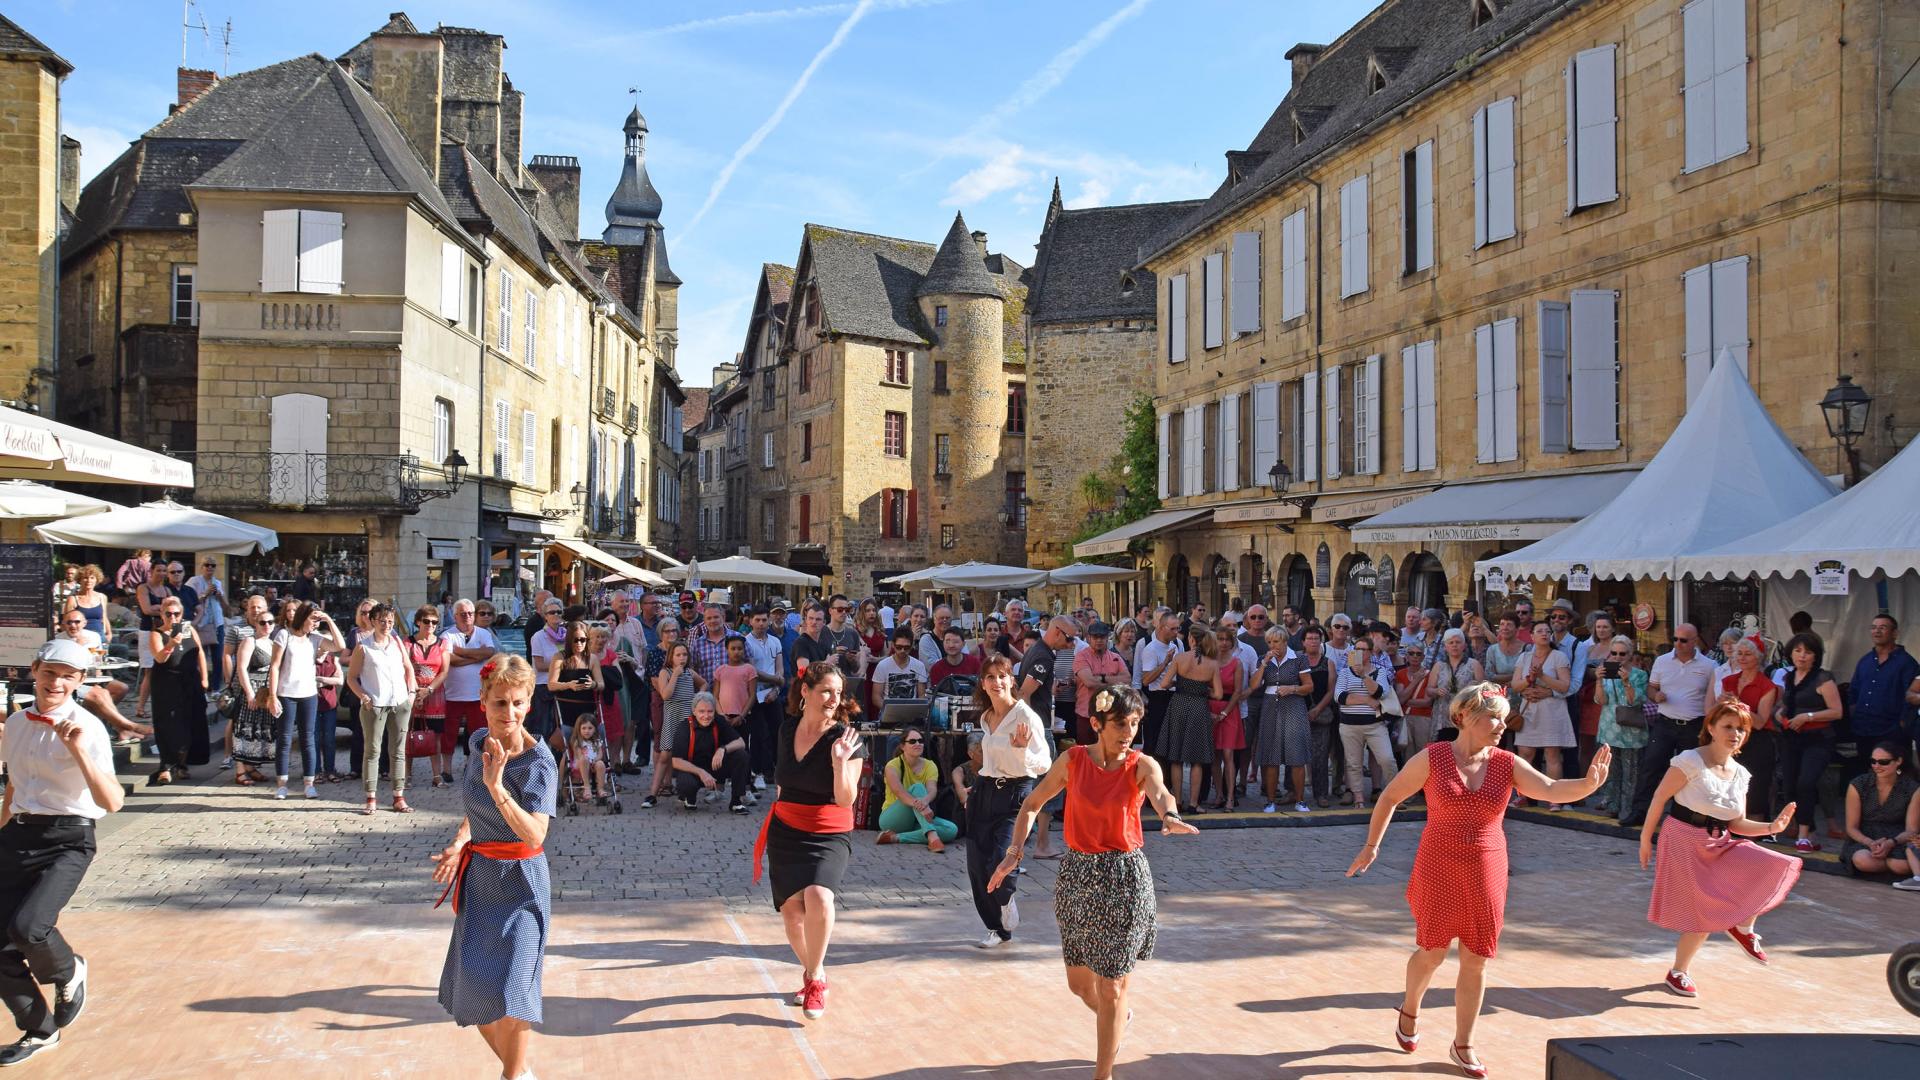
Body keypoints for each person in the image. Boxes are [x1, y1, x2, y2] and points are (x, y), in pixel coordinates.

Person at [1347, 684, 1611, 1080]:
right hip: (1438, 863)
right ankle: (1410, 1008)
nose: (1502, 725)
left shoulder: (1506, 762)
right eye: (1493, 717)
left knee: (1477, 955)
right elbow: (1389, 797)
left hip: (1487, 865)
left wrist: (1589, 784)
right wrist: (1371, 846)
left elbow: (1552, 789)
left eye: (1505, 718)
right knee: (1433, 951)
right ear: (1464, 717)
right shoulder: (1432, 758)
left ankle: (1463, 1043)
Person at [989, 686, 1198, 1080]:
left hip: (1125, 878)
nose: (1128, 732)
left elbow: (1161, 793)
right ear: (1098, 724)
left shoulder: (1142, 765)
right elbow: (1032, 805)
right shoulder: (1072, 761)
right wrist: (1014, 853)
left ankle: (1103, 1074)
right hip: (1077, 876)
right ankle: (1117, 1020)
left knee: (1113, 987)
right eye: (1121, 724)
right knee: (1081, 985)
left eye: (1135, 724)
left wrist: (1169, 816)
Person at [0, 640, 127, 1066]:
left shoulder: (87, 727)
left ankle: (68, 970)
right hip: (18, 834)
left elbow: (112, 802)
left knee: (29, 927)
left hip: (69, 838)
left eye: (68, 675)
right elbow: (15, 787)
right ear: (34, 670)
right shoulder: (16, 724)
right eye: (50, 672)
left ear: (79, 681)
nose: (56, 682)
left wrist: (76, 750)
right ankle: (39, 1030)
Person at [431, 655, 555, 1080]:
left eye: (518, 703)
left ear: (529, 702)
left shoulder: (539, 763)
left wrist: (498, 786)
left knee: (516, 990)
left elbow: (536, 835)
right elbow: (475, 810)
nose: (510, 713)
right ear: (482, 701)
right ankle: (519, 1072)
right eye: (500, 702)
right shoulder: (478, 742)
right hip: (481, 881)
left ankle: (511, 1076)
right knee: (476, 990)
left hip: (523, 886)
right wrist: (459, 841)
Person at [1640, 697, 1802, 998]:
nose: (1735, 734)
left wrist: (1771, 828)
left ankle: (1742, 928)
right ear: (1711, 728)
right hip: (1683, 839)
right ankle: (1679, 973)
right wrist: (1645, 839)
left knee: (1772, 862)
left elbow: (1737, 823)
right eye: (1728, 726)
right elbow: (1659, 799)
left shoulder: (1741, 774)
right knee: (1702, 913)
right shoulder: (1689, 760)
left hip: (1720, 840)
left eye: (1741, 729)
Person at [750, 662, 866, 1019]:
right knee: (792, 914)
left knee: (818, 895)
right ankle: (813, 969)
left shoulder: (847, 739)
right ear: (805, 691)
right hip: (786, 830)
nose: (833, 699)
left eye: (837, 692)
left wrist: (838, 763)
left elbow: (846, 799)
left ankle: (815, 978)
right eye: (825, 691)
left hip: (829, 830)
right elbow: (784, 783)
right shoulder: (786, 730)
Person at [966, 654, 1052, 949]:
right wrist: (975, 788)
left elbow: (1043, 763)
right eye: (990, 677)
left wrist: (1021, 751)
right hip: (984, 790)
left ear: (1011, 680)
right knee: (977, 864)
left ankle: (1006, 898)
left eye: (1002, 676)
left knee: (1003, 857)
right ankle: (996, 929)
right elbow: (989, 759)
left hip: (1016, 793)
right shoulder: (986, 717)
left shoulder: (1025, 716)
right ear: (983, 683)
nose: (997, 682)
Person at [1624, 624, 1719, 828]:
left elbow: (1713, 696)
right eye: (1675, 639)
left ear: (1695, 641)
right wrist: (1655, 695)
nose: (1678, 644)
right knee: (1650, 767)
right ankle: (1639, 812)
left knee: (1690, 773)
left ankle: (1682, 818)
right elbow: (1651, 687)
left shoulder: (1709, 665)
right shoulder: (1662, 661)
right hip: (1665, 722)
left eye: (1683, 640)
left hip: (1694, 725)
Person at [1773, 631, 1844, 851]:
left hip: (1817, 739)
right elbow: (1785, 705)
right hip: (1791, 738)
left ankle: (1803, 834)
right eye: (1798, 650)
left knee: (1806, 782)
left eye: (1808, 652)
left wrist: (1808, 717)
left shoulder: (1823, 678)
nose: (1802, 656)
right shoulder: (1788, 676)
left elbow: (1837, 711)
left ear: (1816, 656)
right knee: (1791, 785)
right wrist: (1779, 715)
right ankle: (1810, 832)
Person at [345, 603, 415, 815]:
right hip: (375, 703)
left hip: (400, 702)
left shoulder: (397, 642)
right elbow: (351, 677)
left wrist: (411, 694)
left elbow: (408, 668)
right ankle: (371, 797)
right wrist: (363, 696)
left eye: (390, 621)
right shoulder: (363, 647)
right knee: (373, 750)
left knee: (398, 750)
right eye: (383, 621)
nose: (387, 625)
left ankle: (398, 796)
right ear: (373, 621)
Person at [1153, 622, 1220, 815]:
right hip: (1199, 707)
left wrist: (1180, 683)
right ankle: (1193, 803)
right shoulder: (1212, 664)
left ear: (1191, 639)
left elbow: (1165, 684)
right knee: (1197, 759)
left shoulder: (1180, 658)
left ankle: (1178, 803)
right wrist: (1201, 689)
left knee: (1176, 757)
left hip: (1179, 705)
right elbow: (1218, 693)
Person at [144, 595, 207, 787]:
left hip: (190, 681)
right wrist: (171, 642)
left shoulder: (189, 630)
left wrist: (204, 678)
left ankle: (182, 764)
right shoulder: (156, 633)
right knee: (168, 724)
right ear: (162, 615)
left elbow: (200, 653)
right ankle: (165, 765)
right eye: (168, 614)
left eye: (176, 614)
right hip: (167, 684)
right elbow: (159, 658)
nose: (173, 618)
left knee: (190, 723)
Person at [1510, 619, 1573, 806]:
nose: (1545, 633)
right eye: (1540, 631)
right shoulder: (1524, 657)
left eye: (1547, 631)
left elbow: (1564, 685)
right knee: (1525, 753)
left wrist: (1542, 677)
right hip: (1530, 709)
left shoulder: (1559, 657)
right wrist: (1528, 681)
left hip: (1551, 709)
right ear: (1532, 636)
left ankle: (1555, 798)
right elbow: (1515, 685)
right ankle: (1524, 795)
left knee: (1552, 754)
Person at [1848, 615, 1919, 779]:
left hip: (1891, 731)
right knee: (1868, 776)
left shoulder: (1907, 663)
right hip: (1863, 728)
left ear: (1894, 633)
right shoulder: (1865, 661)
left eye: (1882, 627)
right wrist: (1854, 712)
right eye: (1873, 627)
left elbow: (1911, 697)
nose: (1877, 631)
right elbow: (1854, 691)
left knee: (1895, 777)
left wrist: (1902, 724)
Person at [1843, 740, 1920, 887]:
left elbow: (1912, 829)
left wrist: (1891, 843)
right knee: (1862, 860)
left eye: (1883, 762)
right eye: (1873, 761)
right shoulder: (1858, 784)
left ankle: (1898, 868)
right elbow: (1851, 827)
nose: (1877, 766)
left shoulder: (1912, 788)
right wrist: (1870, 843)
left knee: (1901, 864)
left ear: (1898, 762)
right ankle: (1897, 868)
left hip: (1897, 837)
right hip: (1865, 837)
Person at [1255, 626, 1313, 814]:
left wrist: (1292, 689)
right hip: (1270, 707)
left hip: (1294, 706)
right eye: (1270, 642)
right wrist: (1264, 663)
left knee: (1297, 757)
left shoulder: (1299, 659)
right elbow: (1254, 685)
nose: (1273, 646)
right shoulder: (1264, 659)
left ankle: (1300, 800)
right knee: (1271, 758)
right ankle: (1270, 800)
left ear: (1285, 641)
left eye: (1276, 642)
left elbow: (1309, 686)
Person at [1721, 638, 1779, 825]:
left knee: (1755, 790)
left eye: (1748, 654)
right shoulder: (1729, 681)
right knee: (1728, 785)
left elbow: (1761, 722)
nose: (1742, 658)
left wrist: (1738, 704)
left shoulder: (1767, 686)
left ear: (1759, 658)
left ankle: (1754, 835)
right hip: (1731, 738)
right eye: (1740, 653)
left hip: (1757, 740)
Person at [1593, 636, 1650, 823]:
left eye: (1622, 654)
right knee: (1611, 771)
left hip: (1631, 732)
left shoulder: (1639, 675)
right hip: (1609, 728)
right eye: (1614, 653)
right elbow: (1601, 701)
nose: (1617, 657)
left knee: (1631, 774)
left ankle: (1628, 809)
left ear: (1630, 655)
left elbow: (1636, 701)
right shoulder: (1606, 673)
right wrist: (1599, 681)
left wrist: (1626, 682)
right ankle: (1612, 805)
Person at [876, 724, 958, 851]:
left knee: (951, 830)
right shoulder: (893, 765)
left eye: (921, 741)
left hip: (918, 817)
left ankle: (895, 838)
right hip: (892, 818)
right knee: (918, 787)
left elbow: (932, 790)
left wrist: (925, 801)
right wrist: (920, 804)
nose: (918, 744)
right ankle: (932, 838)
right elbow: (900, 793)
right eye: (912, 741)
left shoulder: (930, 765)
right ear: (903, 746)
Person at [441, 600, 498, 778]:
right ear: (455, 616)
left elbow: (489, 652)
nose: (467, 617)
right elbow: (450, 660)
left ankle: (477, 768)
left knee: (479, 733)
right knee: (448, 734)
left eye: (470, 613)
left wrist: (462, 652)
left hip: (477, 695)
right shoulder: (447, 635)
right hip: (453, 695)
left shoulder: (483, 633)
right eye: (463, 614)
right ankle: (446, 770)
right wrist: (475, 657)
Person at [1335, 638, 1395, 808]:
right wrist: (1367, 701)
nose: (1360, 653)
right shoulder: (1345, 673)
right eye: (1357, 649)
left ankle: (1394, 794)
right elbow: (1340, 697)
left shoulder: (1380, 671)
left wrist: (1363, 675)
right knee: (1353, 763)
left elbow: (1380, 693)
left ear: (1370, 652)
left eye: (1363, 649)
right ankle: (1358, 797)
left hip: (1375, 725)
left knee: (1387, 759)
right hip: (1349, 725)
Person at [646, 640, 705, 809]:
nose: (682, 658)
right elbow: (665, 695)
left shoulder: (690, 673)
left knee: (686, 755)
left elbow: (704, 684)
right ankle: (652, 793)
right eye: (678, 655)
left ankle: (685, 792)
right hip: (672, 718)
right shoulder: (666, 672)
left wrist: (698, 698)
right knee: (665, 755)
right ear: (671, 656)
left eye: (684, 655)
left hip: (687, 718)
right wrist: (675, 675)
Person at [671, 693, 750, 812]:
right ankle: (690, 797)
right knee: (686, 784)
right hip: (693, 771)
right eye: (701, 711)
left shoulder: (719, 721)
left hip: (715, 767)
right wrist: (701, 772)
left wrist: (722, 749)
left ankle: (736, 802)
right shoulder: (684, 727)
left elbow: (741, 743)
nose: (706, 716)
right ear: (694, 711)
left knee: (741, 755)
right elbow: (676, 761)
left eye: (710, 711)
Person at [406, 606, 453, 788]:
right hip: (413, 693)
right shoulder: (408, 643)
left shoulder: (442, 644)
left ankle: (436, 775)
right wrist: (416, 690)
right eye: (426, 621)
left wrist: (429, 690)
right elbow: (405, 668)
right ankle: (407, 776)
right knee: (410, 733)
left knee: (436, 736)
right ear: (418, 622)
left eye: (434, 622)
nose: (430, 625)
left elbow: (444, 671)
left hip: (435, 695)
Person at [1209, 623, 1250, 812]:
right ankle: (1218, 794)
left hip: (1229, 711)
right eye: (1220, 639)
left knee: (1228, 754)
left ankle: (1230, 797)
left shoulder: (1237, 663)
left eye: (1227, 640)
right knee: (1215, 755)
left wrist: (1225, 713)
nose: (1224, 643)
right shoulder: (1208, 662)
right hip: (1211, 709)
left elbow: (1237, 692)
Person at [1424, 629, 1484, 744]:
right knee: (1443, 753)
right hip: (1443, 719)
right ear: (1445, 647)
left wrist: (1471, 693)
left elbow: (1484, 690)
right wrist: (1436, 691)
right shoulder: (1439, 666)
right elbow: (1428, 690)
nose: (1454, 645)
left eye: (1458, 642)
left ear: (1464, 645)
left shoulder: (1474, 664)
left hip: (1466, 717)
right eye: (1451, 643)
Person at [526, 598, 566, 741]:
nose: (556, 614)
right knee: (541, 729)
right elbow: (540, 665)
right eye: (552, 612)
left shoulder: (567, 635)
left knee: (560, 728)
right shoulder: (538, 637)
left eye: (559, 612)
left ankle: (559, 761)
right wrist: (563, 665)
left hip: (563, 685)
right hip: (543, 687)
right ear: (545, 615)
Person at [187, 558, 227, 681]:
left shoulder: (218, 583)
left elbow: (225, 605)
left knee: (218, 658)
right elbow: (189, 603)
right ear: (201, 567)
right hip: (201, 624)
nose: (210, 567)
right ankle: (201, 686)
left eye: (213, 565)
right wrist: (205, 594)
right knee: (201, 657)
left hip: (217, 624)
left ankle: (215, 687)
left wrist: (219, 596)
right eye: (207, 565)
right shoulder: (193, 582)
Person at [870, 628, 929, 706]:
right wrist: (888, 711)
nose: (902, 650)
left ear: (912, 646)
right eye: (899, 647)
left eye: (906, 647)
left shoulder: (919, 665)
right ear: (893, 645)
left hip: (911, 712)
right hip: (888, 713)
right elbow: (876, 697)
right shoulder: (882, 665)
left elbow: (922, 695)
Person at [567, 715, 612, 804]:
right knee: (584, 759)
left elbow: (600, 754)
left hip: (593, 763)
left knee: (601, 764)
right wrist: (588, 761)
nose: (587, 731)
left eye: (590, 728)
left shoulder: (597, 741)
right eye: (584, 728)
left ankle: (600, 789)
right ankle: (587, 787)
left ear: (595, 729)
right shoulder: (578, 742)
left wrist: (595, 760)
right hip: (580, 763)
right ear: (579, 729)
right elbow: (579, 756)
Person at [62, 565, 110, 644]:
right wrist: (76, 639)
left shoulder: (102, 597)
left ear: (96, 580)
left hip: (100, 636)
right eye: (85, 578)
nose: (88, 581)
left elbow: (104, 617)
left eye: (92, 578)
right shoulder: (73, 599)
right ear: (79, 580)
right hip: (81, 638)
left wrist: (109, 634)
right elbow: (66, 622)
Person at [1480, 613, 1523, 689]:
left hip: (1521, 694)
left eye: (1509, 625)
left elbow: (1527, 675)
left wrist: (1499, 677)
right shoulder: (1492, 650)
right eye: (1502, 624)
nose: (1505, 628)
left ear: (1517, 628)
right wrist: (1516, 676)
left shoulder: (1526, 649)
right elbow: (1489, 675)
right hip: (1498, 694)